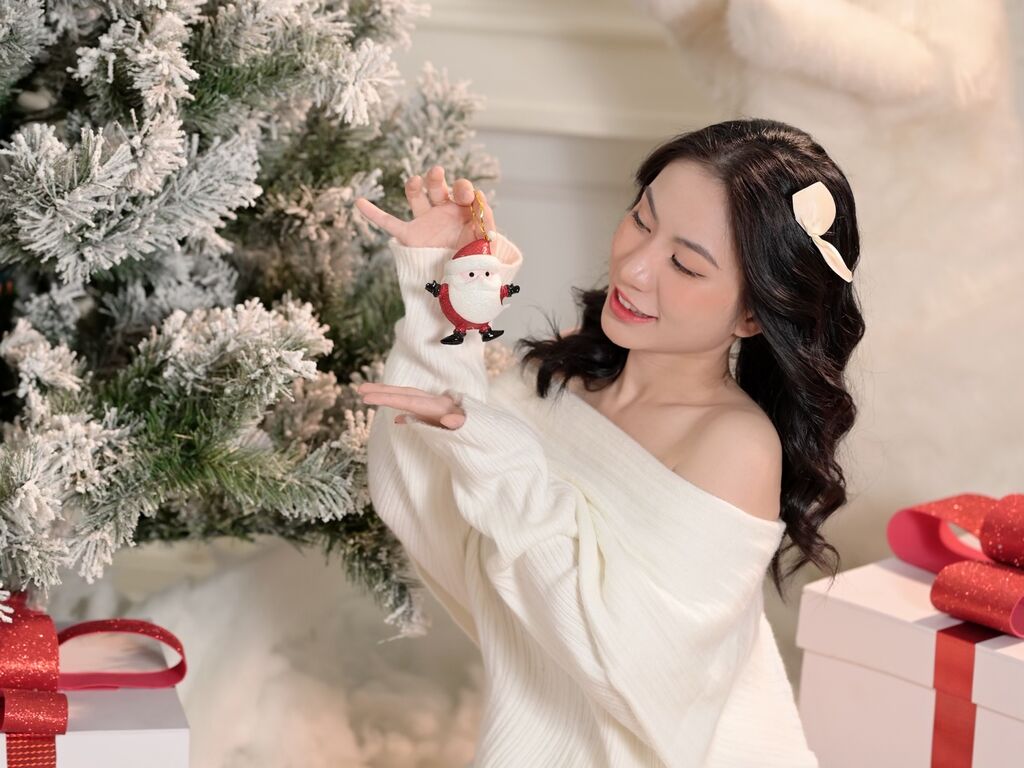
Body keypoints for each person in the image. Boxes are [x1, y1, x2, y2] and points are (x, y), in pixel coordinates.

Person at [353, 117, 864, 767]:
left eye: (685, 264)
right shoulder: (567, 376)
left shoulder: (734, 446)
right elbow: (433, 514)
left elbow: (635, 669)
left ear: (752, 313)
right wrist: (443, 296)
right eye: (642, 220)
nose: (635, 266)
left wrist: (497, 458)